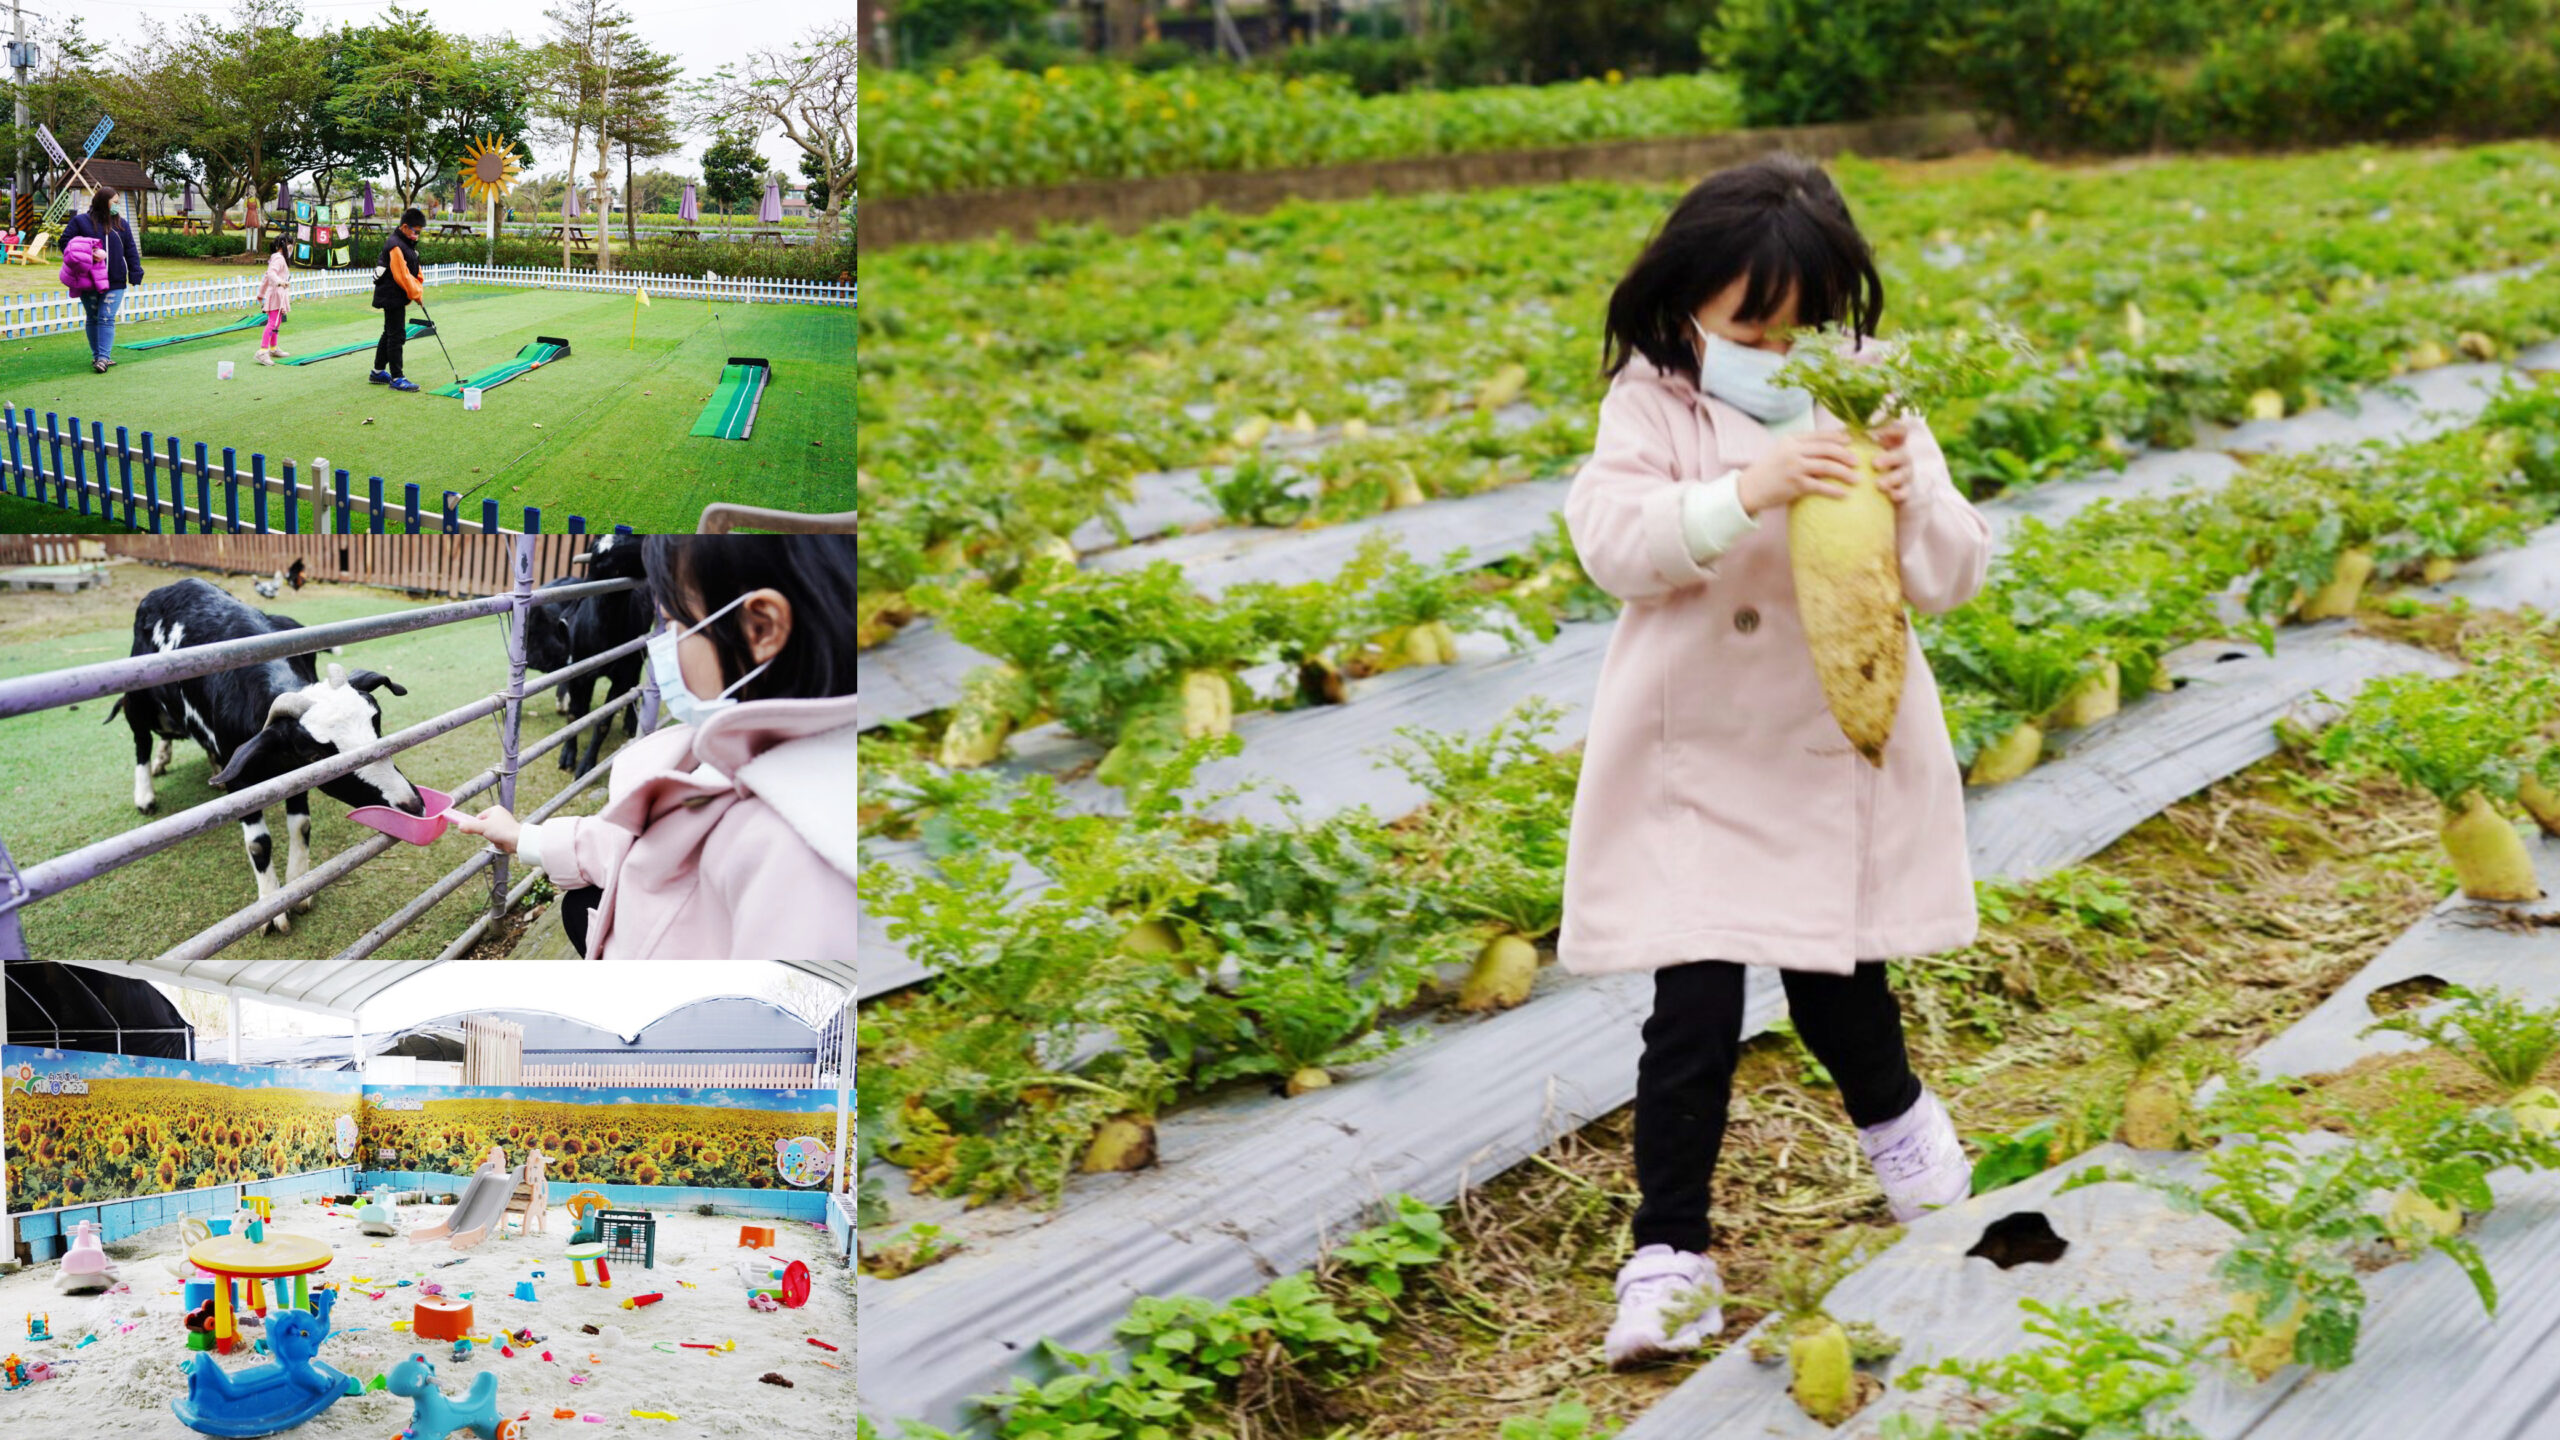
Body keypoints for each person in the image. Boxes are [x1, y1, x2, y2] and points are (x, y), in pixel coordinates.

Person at [1560, 153, 1994, 1370]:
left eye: (1802, 325)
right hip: (1697, 759)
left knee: (1837, 990)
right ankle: (1671, 1255)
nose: (1776, 346)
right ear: (1690, 299)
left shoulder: (1871, 396)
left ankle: (1903, 1135)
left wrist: (1916, 498)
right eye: (1752, 322)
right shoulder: (1649, 403)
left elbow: (1949, 578)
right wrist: (1741, 491)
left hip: (1831, 741)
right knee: (1688, 1013)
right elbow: (1611, 541)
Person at [445, 536, 857, 959]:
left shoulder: (799, 859)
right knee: (579, 905)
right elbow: (637, 845)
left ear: (760, 628)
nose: (663, 647)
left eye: (673, 623)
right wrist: (524, 837)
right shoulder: (732, 758)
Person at [62, 186, 143, 373]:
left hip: (115, 280)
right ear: (102, 201)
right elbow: (64, 242)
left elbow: (130, 250)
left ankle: (103, 358)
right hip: (88, 280)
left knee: (106, 317)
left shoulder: (121, 224)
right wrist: (88, 252)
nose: (117, 206)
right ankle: (97, 355)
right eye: (114, 202)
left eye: (118, 202)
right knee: (93, 317)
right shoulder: (81, 222)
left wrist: (135, 272)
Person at [368, 205, 425, 392]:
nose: (417, 235)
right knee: (397, 335)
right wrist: (416, 294)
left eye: (419, 233)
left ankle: (377, 372)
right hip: (391, 294)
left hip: (396, 294)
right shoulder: (395, 245)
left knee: (389, 332)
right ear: (405, 227)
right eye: (415, 231)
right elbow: (402, 275)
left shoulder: (406, 244)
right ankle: (397, 377)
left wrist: (418, 290)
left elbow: (414, 270)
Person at [254, 235, 293, 366]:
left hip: (279, 294)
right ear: (287, 246)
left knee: (277, 322)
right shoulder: (278, 258)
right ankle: (262, 351)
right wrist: (280, 282)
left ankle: (273, 348)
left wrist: (261, 293)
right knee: (272, 322)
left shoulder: (278, 258)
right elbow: (271, 274)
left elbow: (266, 276)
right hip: (276, 293)